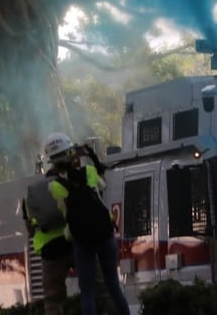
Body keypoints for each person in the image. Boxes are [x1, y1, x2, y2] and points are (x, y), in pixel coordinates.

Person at [46, 133, 131, 315]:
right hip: (105, 235)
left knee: (88, 292)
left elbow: (63, 204)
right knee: (113, 286)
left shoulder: (54, 187)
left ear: (52, 162)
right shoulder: (90, 172)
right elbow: (103, 183)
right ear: (72, 154)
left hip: (82, 242)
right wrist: (90, 154)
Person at [22, 139, 74, 315]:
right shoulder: (72, 183)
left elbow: (30, 228)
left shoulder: (33, 191)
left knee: (52, 301)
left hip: (50, 251)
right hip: (75, 243)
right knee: (94, 288)